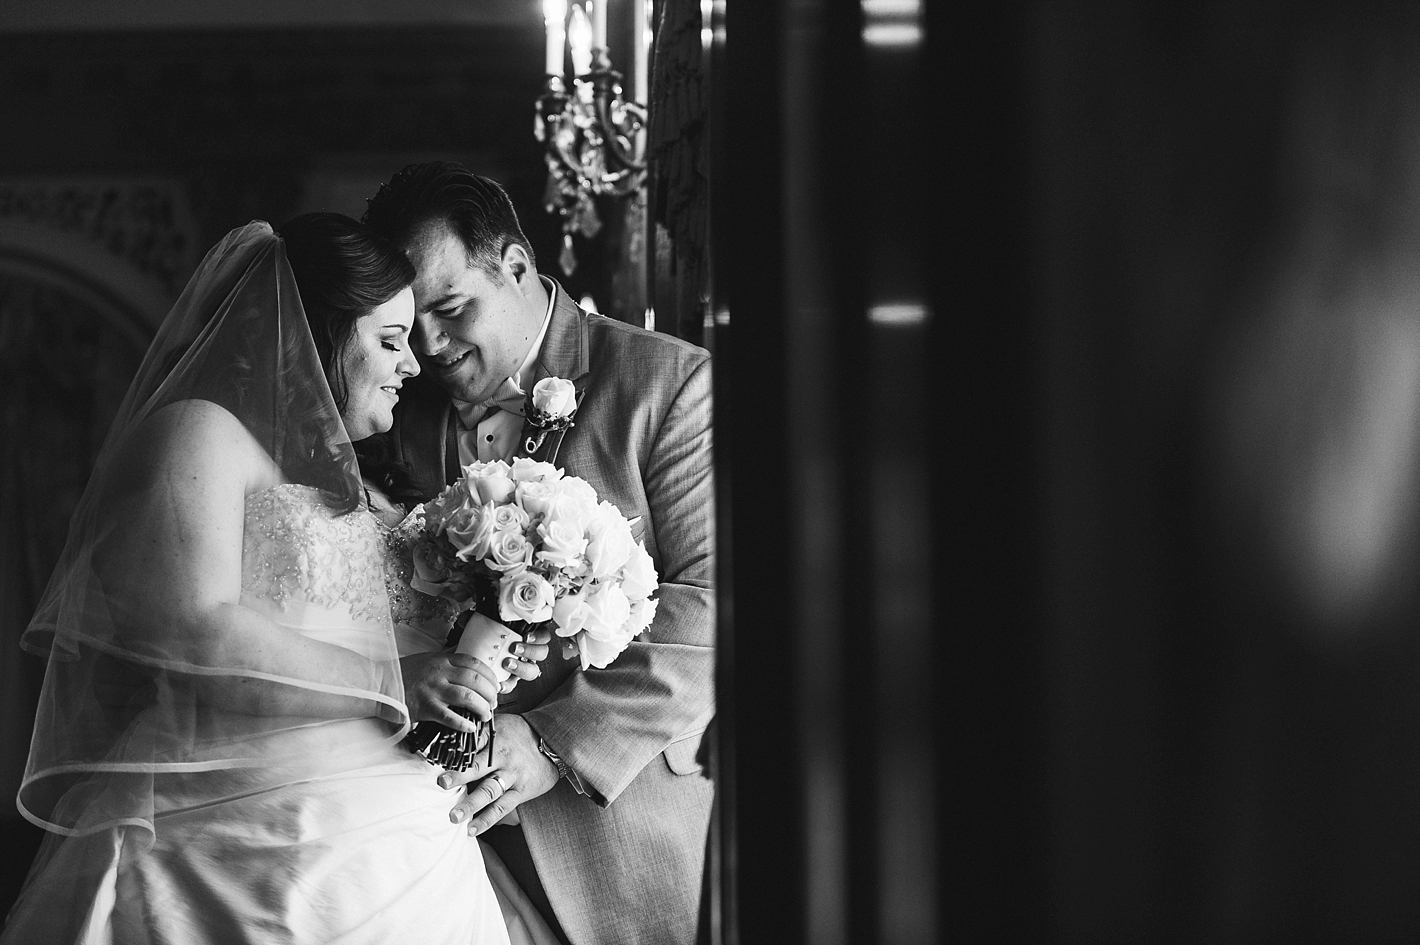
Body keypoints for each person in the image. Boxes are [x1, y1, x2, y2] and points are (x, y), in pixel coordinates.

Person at [1, 214, 522, 944]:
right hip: (237, 837)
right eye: (390, 340)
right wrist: (400, 680)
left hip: (404, 847)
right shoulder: (197, 431)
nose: (414, 365)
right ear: (313, 335)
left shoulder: (363, 488)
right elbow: (189, 626)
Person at [363, 163, 715, 945]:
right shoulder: (394, 407)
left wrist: (552, 741)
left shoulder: (671, 386)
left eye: (451, 310)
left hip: (620, 842)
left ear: (516, 266)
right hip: (438, 846)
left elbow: (712, 614)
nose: (428, 348)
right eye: (409, 323)